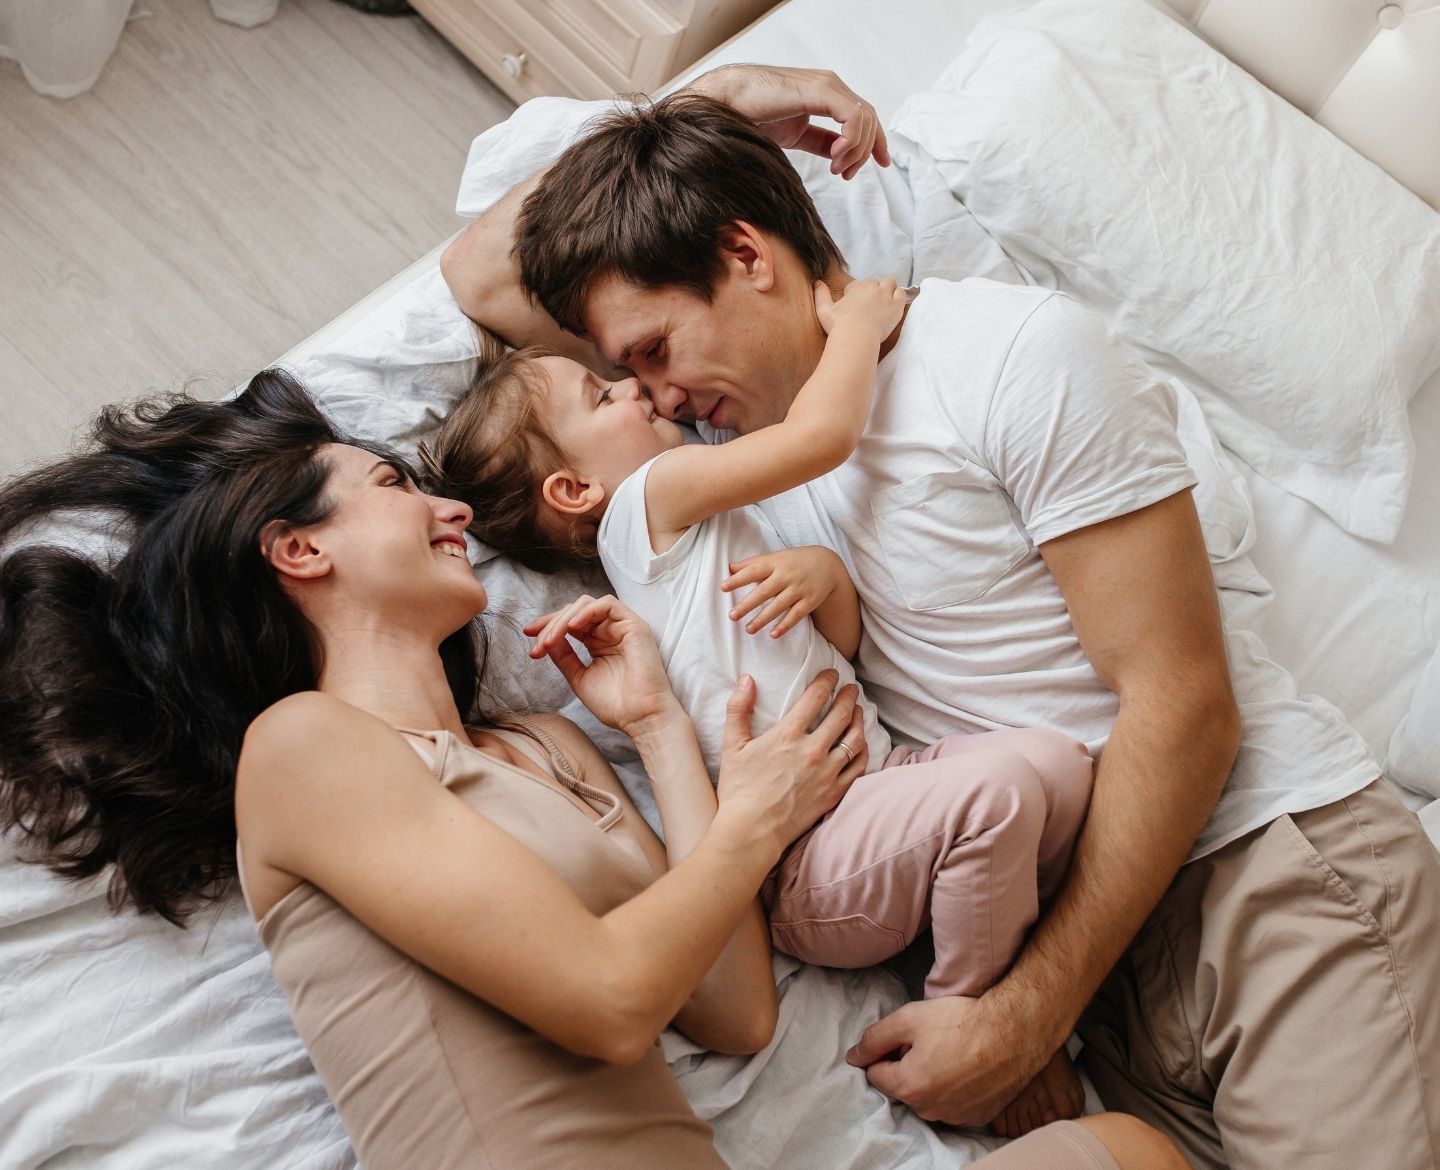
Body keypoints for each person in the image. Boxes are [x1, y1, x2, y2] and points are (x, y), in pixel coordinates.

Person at [442, 88, 1440, 1170]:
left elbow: (1187, 708)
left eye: (651, 353)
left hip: (1251, 874)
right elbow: (480, 282)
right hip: (1078, 949)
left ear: (746, 252)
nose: (656, 397)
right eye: (623, 377)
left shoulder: (1007, 355)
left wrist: (1022, 1014)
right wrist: (709, 114)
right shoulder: (718, 498)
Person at [0, 371, 1188, 1170]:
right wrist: (753, 824)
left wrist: (663, 726)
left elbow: (732, 1010)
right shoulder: (302, 750)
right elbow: (614, 1004)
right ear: (299, 549)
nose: (452, 507)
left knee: (1127, 1152)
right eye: (396, 488)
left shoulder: (547, 745)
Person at [424, 274, 1095, 1133]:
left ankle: (972, 915)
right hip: (811, 862)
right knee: (1000, 793)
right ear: (574, 491)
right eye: (603, 394)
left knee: (1062, 768)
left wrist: (824, 575)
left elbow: (842, 646)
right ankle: (965, 1014)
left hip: (883, 782)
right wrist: (858, 330)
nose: (634, 386)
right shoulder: (648, 503)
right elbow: (823, 436)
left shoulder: (705, 532)